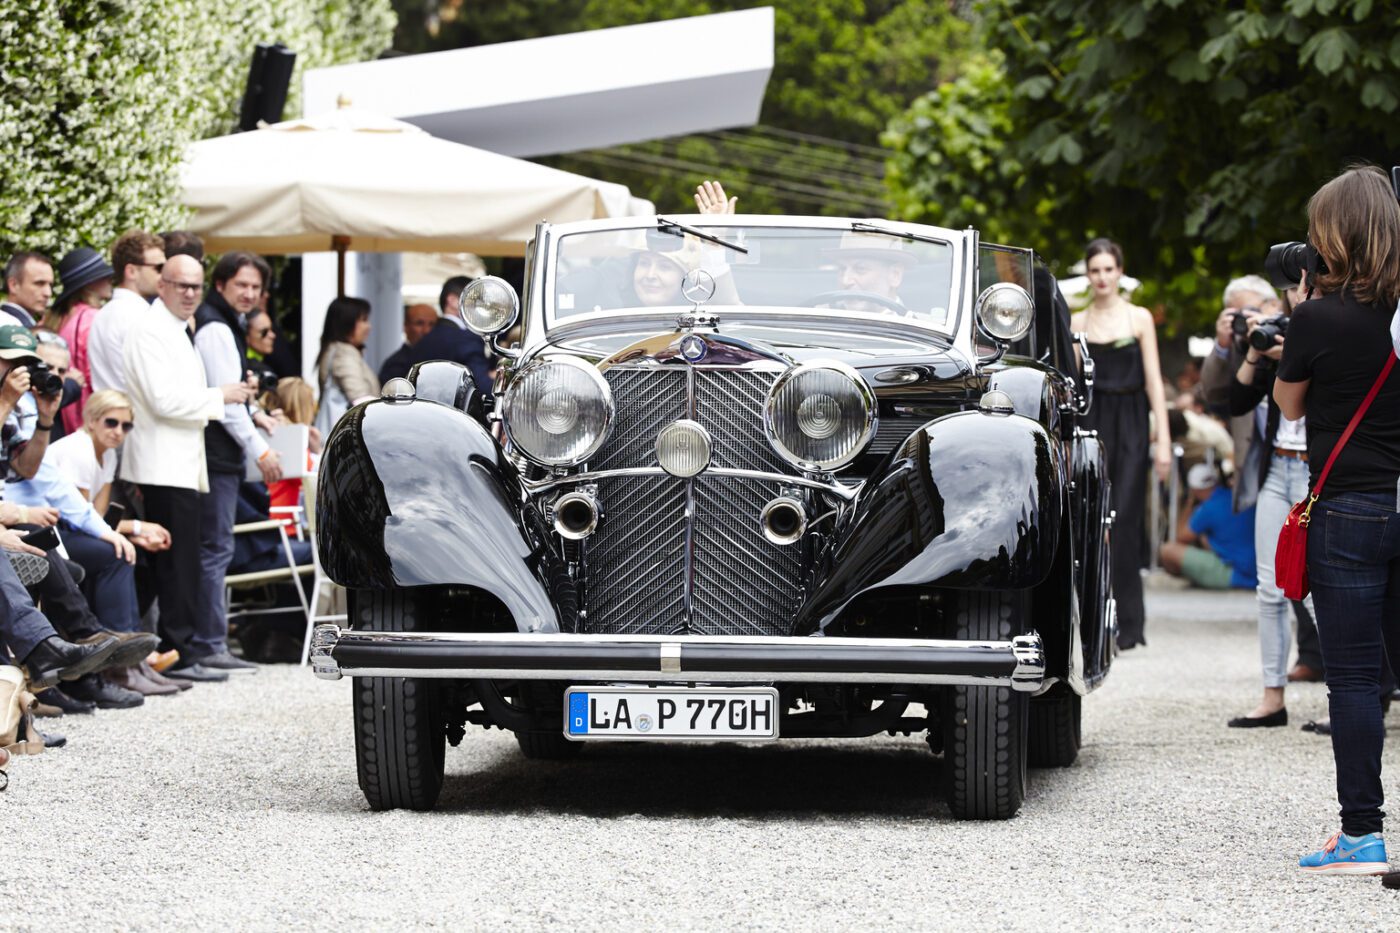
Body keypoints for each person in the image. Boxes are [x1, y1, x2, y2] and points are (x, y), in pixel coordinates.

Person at [1272, 165, 1400, 875]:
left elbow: (1291, 407)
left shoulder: (1319, 316)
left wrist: (1301, 311)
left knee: (1353, 678)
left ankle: (1362, 832)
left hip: (1349, 507)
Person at [121, 254, 256, 683]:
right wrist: (222, 396)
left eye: (196, 287)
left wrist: (218, 397)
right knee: (173, 567)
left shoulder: (175, 329)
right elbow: (163, 401)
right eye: (182, 285)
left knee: (180, 565)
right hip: (161, 464)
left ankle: (174, 652)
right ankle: (175, 653)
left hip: (179, 462)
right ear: (161, 285)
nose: (190, 294)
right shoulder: (150, 330)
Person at [1070, 238, 1172, 649]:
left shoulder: (1140, 318)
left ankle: (1130, 623)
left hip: (1131, 423)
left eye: (1109, 269)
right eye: (1095, 270)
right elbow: (1074, 387)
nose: (1102, 277)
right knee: (1090, 518)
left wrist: (1162, 439)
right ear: (1088, 274)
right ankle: (1094, 621)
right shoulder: (1077, 322)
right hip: (1093, 421)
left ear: (1120, 271)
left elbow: (1154, 382)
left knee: (1125, 518)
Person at [193, 252, 278, 676]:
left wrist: (256, 414)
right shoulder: (215, 326)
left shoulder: (224, 322)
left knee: (213, 548)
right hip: (214, 454)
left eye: (255, 287)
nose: (248, 293)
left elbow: (235, 398)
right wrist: (260, 450)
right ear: (222, 283)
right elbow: (224, 404)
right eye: (241, 285)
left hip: (215, 452)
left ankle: (207, 641)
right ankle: (209, 643)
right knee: (215, 548)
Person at [87, 230, 165, 394]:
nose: (163, 275)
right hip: (134, 414)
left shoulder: (104, 313)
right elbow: (153, 386)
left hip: (113, 411)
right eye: (158, 268)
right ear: (131, 271)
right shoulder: (139, 316)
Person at [45, 248, 113, 434]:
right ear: (90, 283)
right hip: (90, 423)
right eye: (103, 276)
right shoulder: (92, 318)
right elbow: (96, 376)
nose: (110, 280)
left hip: (63, 419)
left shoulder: (57, 318)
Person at [1159, 464, 1257, 591]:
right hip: (1256, 570)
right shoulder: (1234, 497)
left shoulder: (1207, 508)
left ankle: (1195, 578)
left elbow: (1181, 537)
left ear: (1195, 490)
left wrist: (1189, 503)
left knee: (1168, 551)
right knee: (1206, 537)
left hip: (1238, 574)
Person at [397, 280, 493, 395]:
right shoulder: (466, 339)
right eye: (476, 301)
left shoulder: (424, 340)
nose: (481, 308)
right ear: (452, 301)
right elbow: (483, 389)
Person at [315, 297, 379, 432]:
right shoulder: (343, 354)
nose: (369, 326)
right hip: (347, 436)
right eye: (363, 320)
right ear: (346, 323)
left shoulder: (339, 350)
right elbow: (360, 399)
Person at [377, 303, 439, 384]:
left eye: (432, 324)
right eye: (419, 323)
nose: (426, 330)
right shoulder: (396, 364)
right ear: (406, 326)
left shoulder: (438, 359)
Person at [1, 251, 54, 329]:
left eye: (50, 285)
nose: (48, 293)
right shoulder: (11, 327)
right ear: (13, 285)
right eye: (39, 283)